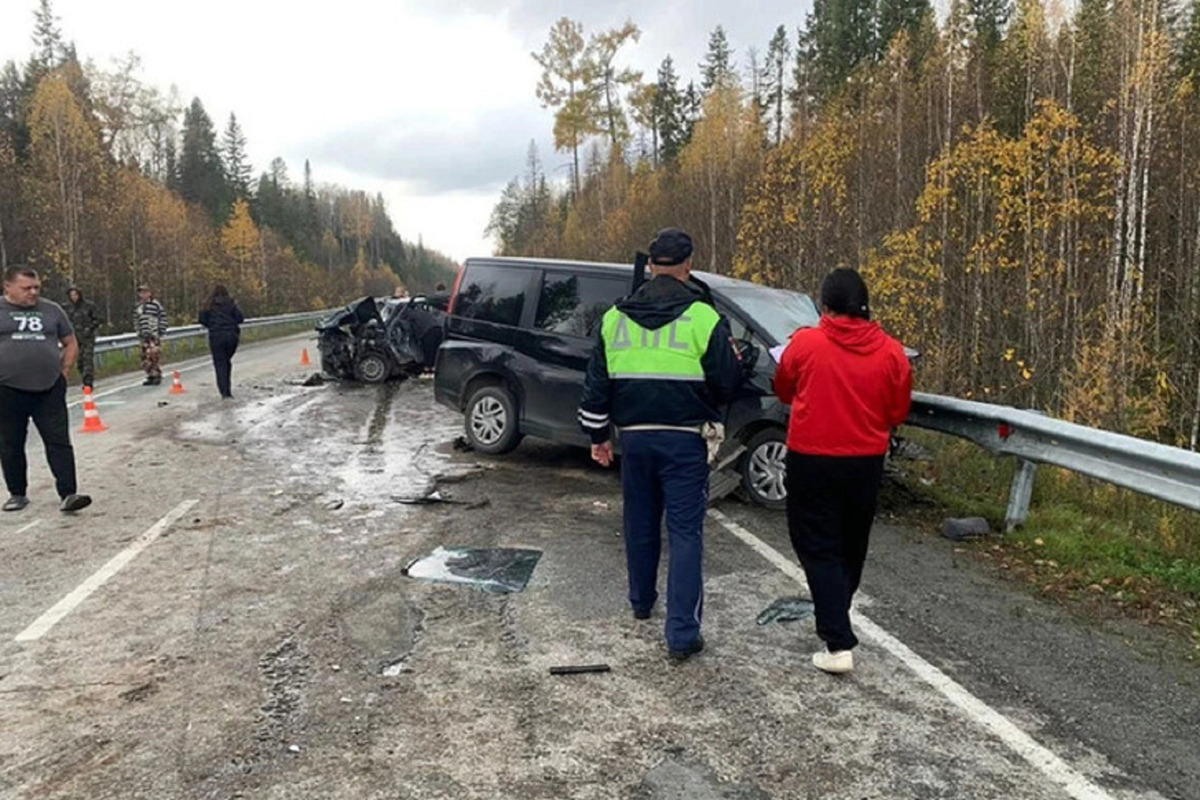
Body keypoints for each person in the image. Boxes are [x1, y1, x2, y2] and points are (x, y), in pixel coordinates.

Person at [578, 228, 743, 661]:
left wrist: (598, 437)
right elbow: (727, 383)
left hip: (634, 440)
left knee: (640, 521)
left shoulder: (615, 317)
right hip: (685, 441)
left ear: (650, 266)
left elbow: (596, 386)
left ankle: (640, 601)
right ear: (688, 265)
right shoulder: (704, 317)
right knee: (685, 533)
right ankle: (682, 634)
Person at [773, 268, 912, 674]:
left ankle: (838, 641)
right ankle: (838, 606)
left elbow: (784, 388)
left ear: (826, 305)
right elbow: (897, 410)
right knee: (851, 542)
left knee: (814, 543)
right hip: (865, 460)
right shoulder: (892, 353)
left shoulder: (806, 343)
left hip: (812, 457)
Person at [0, 266, 92, 513]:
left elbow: (70, 342)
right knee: (10, 443)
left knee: (58, 441)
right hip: (8, 389)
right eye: (26, 288)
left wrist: (64, 371)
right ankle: (17, 493)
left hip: (49, 387)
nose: (32, 293)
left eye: (36, 288)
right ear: (7, 287)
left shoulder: (52, 310)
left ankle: (69, 493)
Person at [198, 284, 244, 399]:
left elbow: (202, 319)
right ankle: (226, 389)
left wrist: (212, 326)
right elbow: (240, 318)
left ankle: (225, 391)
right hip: (231, 336)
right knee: (226, 361)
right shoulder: (231, 304)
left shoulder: (208, 305)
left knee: (220, 363)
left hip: (216, 336)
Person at [65, 286, 99, 390]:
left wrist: (90, 328)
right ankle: (83, 377)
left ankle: (88, 382)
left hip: (87, 338)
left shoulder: (88, 306)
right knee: (80, 362)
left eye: (75, 295)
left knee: (87, 359)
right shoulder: (68, 308)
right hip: (75, 338)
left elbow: (98, 319)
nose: (74, 297)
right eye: (72, 295)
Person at [134, 284, 167, 385]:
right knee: (145, 356)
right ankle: (150, 375)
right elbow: (136, 320)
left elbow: (162, 317)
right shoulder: (138, 307)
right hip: (144, 336)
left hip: (154, 335)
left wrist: (160, 331)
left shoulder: (155, 305)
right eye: (141, 293)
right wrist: (138, 332)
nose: (143, 295)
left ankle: (156, 374)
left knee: (153, 355)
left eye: (145, 292)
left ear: (149, 293)